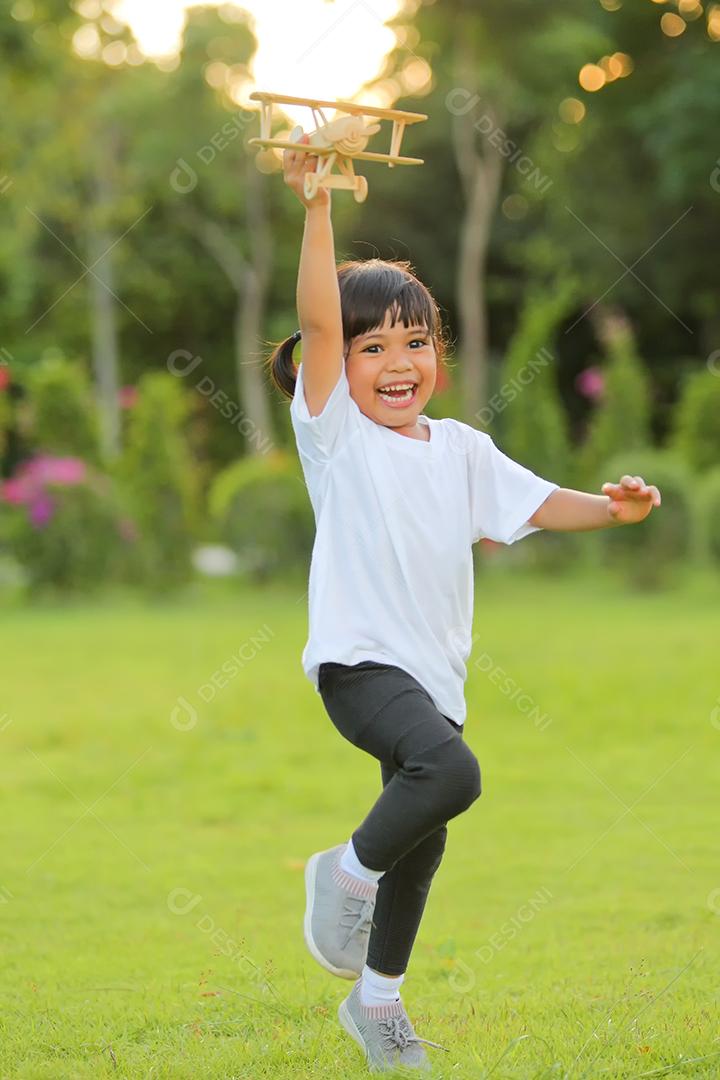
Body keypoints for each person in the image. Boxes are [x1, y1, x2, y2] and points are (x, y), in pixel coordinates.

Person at [264, 132, 662, 1074]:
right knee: (453, 776)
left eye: (415, 342)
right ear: (341, 367)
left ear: (437, 350)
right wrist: (318, 207)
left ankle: (377, 1003)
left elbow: (535, 502)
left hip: (434, 675)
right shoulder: (337, 440)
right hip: (362, 664)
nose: (397, 363)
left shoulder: (462, 450)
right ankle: (342, 874)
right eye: (372, 349)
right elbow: (318, 323)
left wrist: (611, 509)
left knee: (426, 842)